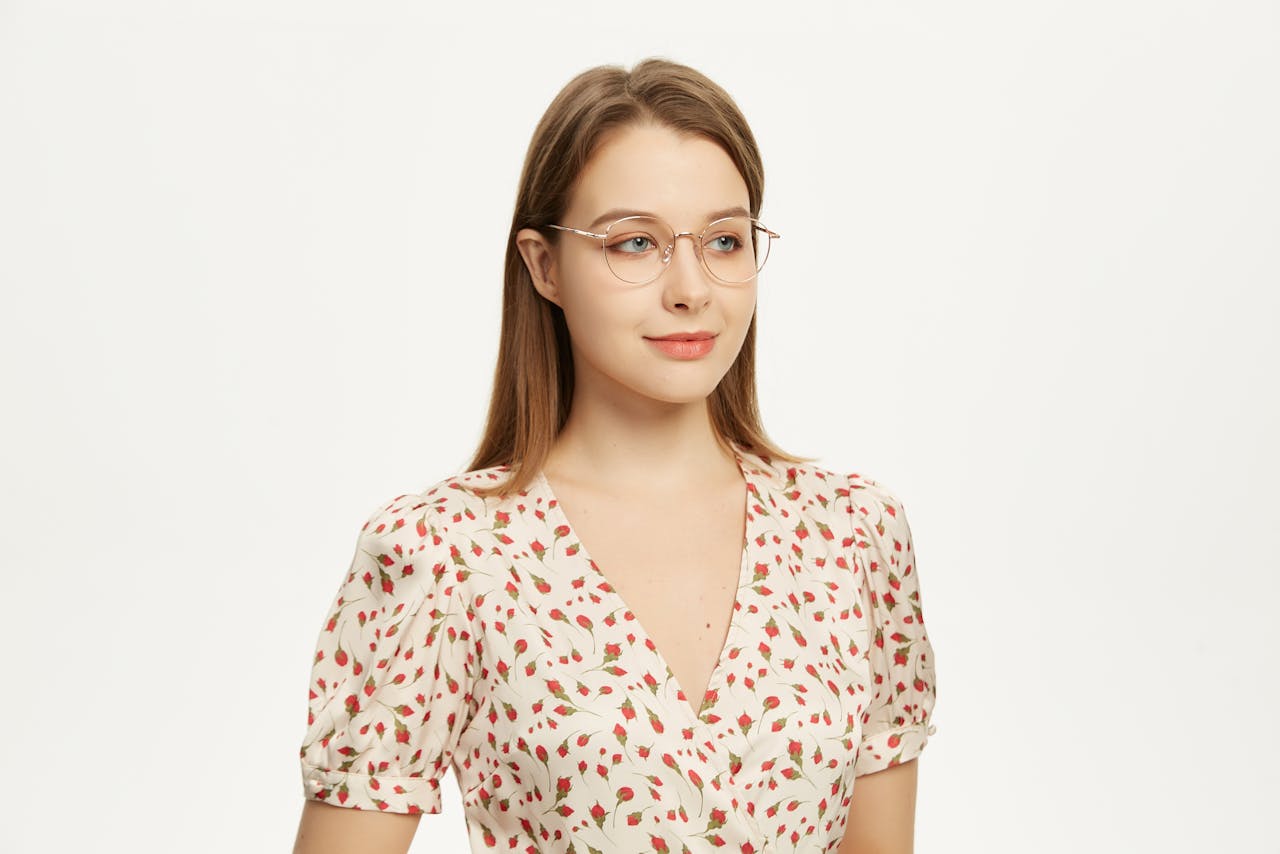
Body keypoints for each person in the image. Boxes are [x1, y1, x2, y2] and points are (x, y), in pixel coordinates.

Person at [291, 57, 938, 854]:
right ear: (543, 265)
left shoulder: (853, 535)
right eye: (635, 243)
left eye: (725, 241)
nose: (691, 288)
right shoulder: (439, 555)